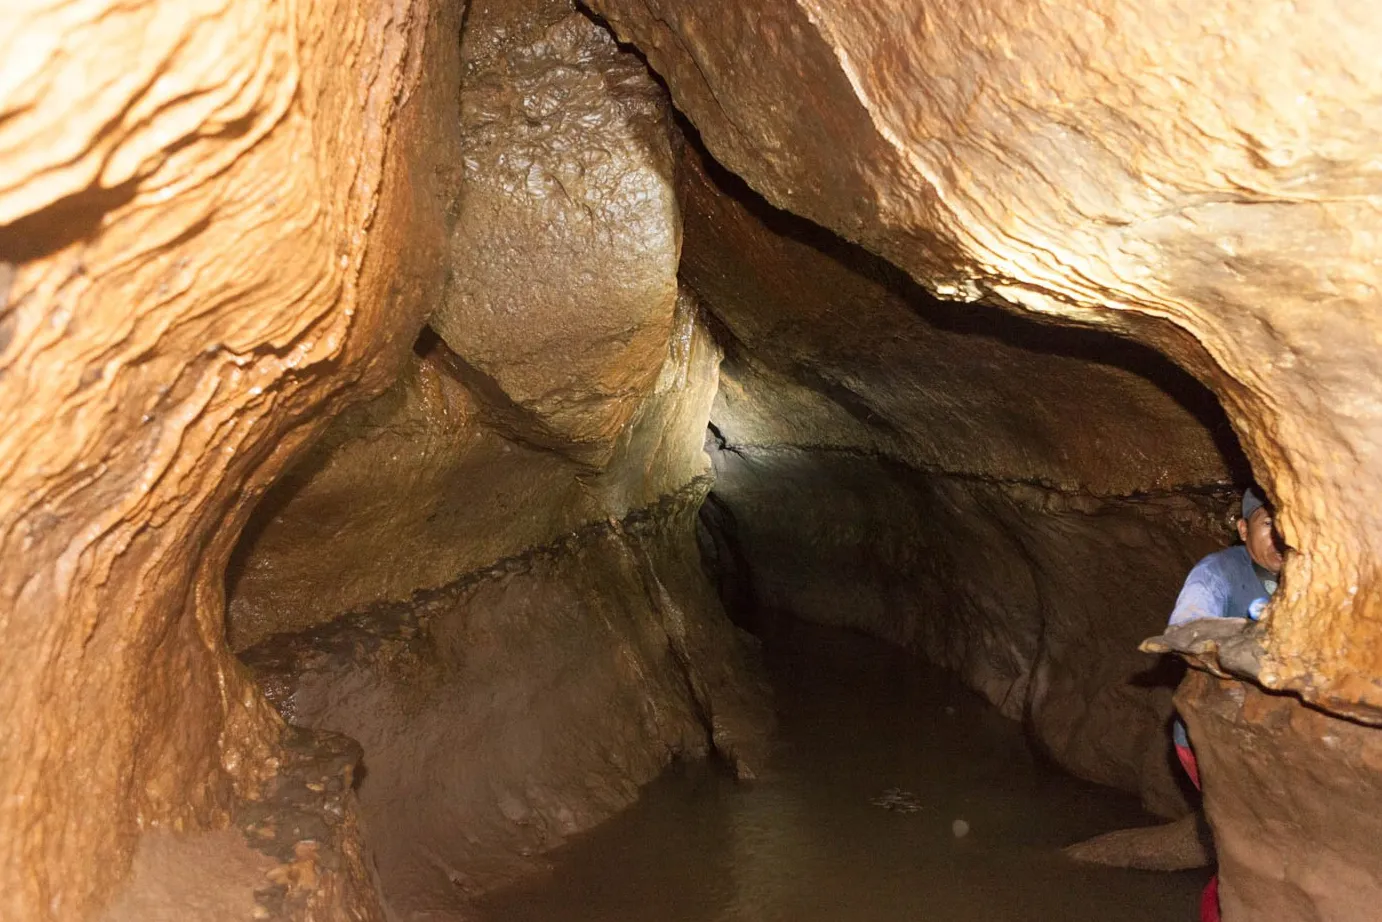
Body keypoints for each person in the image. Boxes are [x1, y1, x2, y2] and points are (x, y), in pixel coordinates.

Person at [1166, 485, 1285, 922]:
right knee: (1246, 848)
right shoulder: (1218, 571)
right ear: (1242, 528)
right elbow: (1187, 629)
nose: (1279, 536)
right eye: (1267, 523)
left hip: (1275, 744)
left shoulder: (1310, 575)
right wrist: (1247, 635)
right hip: (1209, 740)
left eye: (1286, 523)